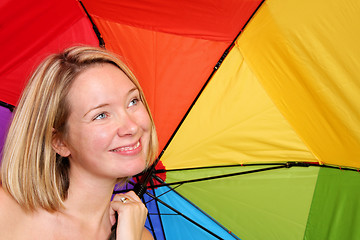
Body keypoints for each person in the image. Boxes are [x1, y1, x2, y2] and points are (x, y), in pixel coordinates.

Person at [0, 45, 158, 239]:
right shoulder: (5, 212)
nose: (132, 127)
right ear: (59, 142)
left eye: (133, 101)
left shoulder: (139, 235)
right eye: (101, 115)